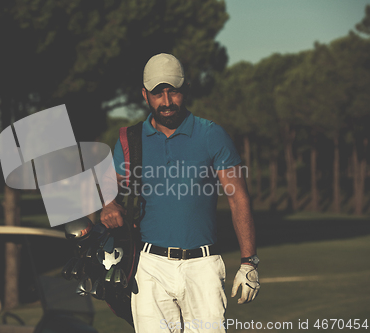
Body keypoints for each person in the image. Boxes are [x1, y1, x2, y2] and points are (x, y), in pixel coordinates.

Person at [100, 53, 260, 333]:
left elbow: (238, 198)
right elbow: (107, 191)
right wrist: (108, 205)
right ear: (144, 95)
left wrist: (249, 262)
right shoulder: (130, 140)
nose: (166, 101)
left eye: (172, 91)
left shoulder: (211, 134)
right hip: (150, 266)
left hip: (203, 266)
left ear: (185, 90)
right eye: (157, 93)